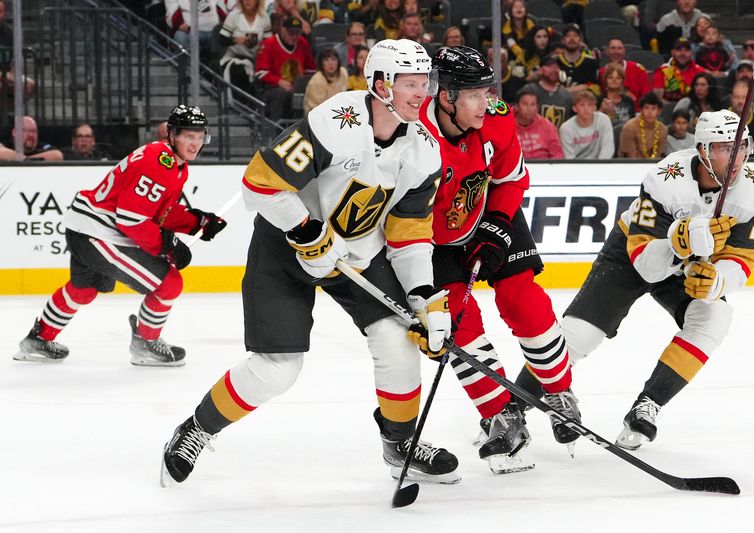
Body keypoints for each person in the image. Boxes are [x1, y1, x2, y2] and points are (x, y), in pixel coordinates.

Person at [160, 39, 461, 488]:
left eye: (426, 84)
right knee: (277, 368)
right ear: (381, 84)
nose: (422, 94)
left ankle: (399, 443)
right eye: (410, 84)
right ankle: (197, 429)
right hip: (285, 244)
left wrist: (423, 297)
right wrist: (305, 230)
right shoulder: (337, 121)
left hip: (355, 255)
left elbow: (409, 234)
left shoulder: (424, 150)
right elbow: (259, 185)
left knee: (398, 339)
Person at [556, 110, 754, 449]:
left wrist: (715, 280)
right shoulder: (666, 178)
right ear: (702, 150)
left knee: (714, 316)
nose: (736, 158)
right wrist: (677, 243)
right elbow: (646, 265)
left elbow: (741, 260)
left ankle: (649, 404)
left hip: (687, 264)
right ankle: (509, 412)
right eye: (725, 148)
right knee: (580, 335)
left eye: (741, 147)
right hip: (634, 253)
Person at [418, 46, 579, 473]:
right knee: (458, 322)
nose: (485, 101)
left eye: (487, 90)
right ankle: (500, 415)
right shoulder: (415, 137)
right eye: (473, 94)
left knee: (522, 300)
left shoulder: (497, 117)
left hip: (492, 215)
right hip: (435, 242)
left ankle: (560, 392)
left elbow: (510, 179)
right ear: (445, 96)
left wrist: (498, 224)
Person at [13, 105, 227, 366]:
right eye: (188, 136)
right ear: (172, 134)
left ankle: (37, 340)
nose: (195, 143)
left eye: (199, 136)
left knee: (84, 290)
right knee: (169, 283)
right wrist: (167, 245)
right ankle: (146, 344)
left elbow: (157, 213)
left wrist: (198, 222)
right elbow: (130, 219)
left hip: (85, 227)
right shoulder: (160, 161)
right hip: (100, 233)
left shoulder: (172, 162)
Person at [253, 16, 315, 121]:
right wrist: (279, 81)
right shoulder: (268, 44)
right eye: (291, 33)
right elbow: (260, 72)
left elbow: (311, 69)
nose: (294, 36)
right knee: (280, 94)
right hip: (272, 89)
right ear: (283, 30)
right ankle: (275, 129)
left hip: (296, 88)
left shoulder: (302, 43)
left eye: (297, 33)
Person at [218, 0, 271, 98]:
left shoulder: (264, 17)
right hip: (234, 59)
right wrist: (234, 40)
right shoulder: (234, 16)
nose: (247, 1)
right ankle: (240, 105)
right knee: (240, 73)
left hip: (255, 60)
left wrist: (262, 47)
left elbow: (269, 42)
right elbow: (222, 40)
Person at [559, 89, 615, 160]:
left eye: (590, 105)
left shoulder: (603, 120)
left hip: (600, 166)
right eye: (582, 105)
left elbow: (608, 149)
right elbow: (569, 157)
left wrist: (600, 167)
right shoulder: (566, 128)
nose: (586, 108)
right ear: (574, 108)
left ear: (595, 108)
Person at [514, 84, 564, 159]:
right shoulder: (505, 124)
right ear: (516, 106)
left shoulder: (547, 126)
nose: (529, 108)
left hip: (544, 167)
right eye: (525, 104)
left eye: (532, 104)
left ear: (537, 108)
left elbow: (557, 155)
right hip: (516, 167)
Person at [599, 38, 651, 106]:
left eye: (619, 48)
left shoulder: (638, 70)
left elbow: (647, 97)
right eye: (612, 48)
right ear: (607, 51)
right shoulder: (602, 72)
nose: (616, 52)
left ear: (624, 51)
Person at [652, 37, 705, 103]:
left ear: (691, 53)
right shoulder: (662, 72)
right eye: (679, 50)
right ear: (672, 52)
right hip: (668, 111)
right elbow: (657, 100)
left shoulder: (700, 72)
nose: (683, 53)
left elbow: (705, 99)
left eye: (686, 50)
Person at [618, 92, 668, 159]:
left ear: (659, 111)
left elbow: (658, 155)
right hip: (628, 165)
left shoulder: (663, 129)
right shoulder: (630, 127)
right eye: (646, 108)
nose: (649, 112)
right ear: (641, 110)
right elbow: (631, 157)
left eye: (653, 108)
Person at [530, 56, 573, 129]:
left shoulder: (566, 95)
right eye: (550, 67)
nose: (554, 70)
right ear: (541, 69)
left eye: (557, 67)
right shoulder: (530, 90)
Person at [556, 24, 599, 96]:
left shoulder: (591, 62)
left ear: (580, 40)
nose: (572, 39)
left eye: (575, 36)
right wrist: (580, 88)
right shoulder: (553, 61)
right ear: (562, 40)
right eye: (568, 36)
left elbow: (596, 88)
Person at [303, 47, 348, 114]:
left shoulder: (343, 72)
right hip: (317, 116)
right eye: (326, 60)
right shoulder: (316, 81)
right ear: (321, 63)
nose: (331, 63)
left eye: (334, 59)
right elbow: (318, 110)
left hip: (339, 112)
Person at [597, 63, 637, 128]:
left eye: (618, 78)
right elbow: (592, 125)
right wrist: (602, 109)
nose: (614, 80)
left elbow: (633, 126)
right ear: (605, 80)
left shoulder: (629, 101)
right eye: (610, 77)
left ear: (622, 81)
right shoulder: (599, 100)